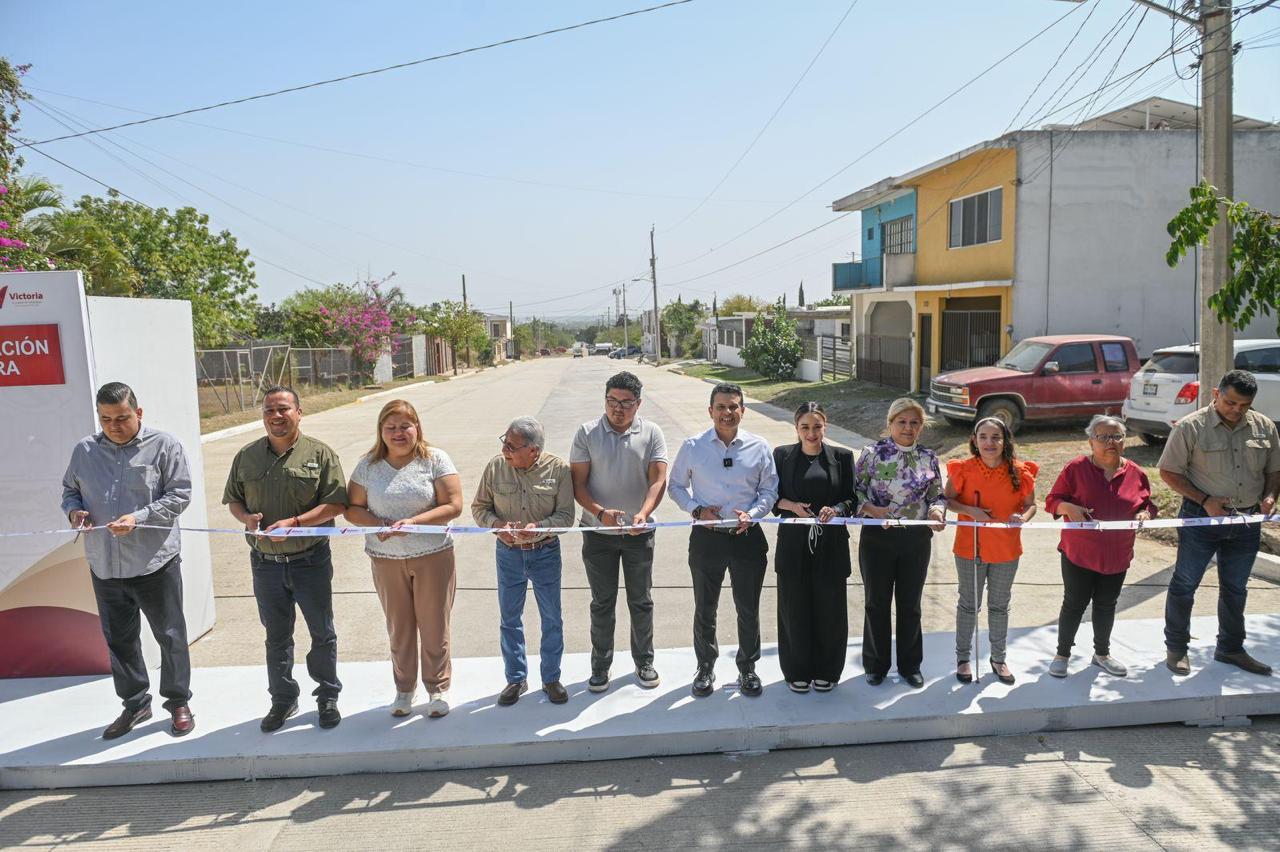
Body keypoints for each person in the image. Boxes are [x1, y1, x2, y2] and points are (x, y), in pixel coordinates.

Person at [61, 382, 196, 740]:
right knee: (120, 640)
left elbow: (180, 494)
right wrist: (75, 512)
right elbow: (70, 490)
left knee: (170, 636)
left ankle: (178, 702)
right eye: (106, 419)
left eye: (121, 418)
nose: (114, 426)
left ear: (138, 413)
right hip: (104, 564)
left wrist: (140, 517)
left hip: (154, 563)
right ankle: (135, 703)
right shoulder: (84, 451)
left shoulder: (164, 446)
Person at [223, 386, 348, 732]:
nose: (276, 416)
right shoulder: (246, 457)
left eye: (283, 409)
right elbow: (234, 500)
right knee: (276, 636)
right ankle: (282, 700)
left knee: (321, 632)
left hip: (310, 561)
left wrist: (295, 524)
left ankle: (327, 695)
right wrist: (245, 518)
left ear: (299, 412)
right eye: (268, 411)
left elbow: (337, 503)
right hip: (266, 565)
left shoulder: (320, 454)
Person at [345, 400, 463, 719]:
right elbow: (353, 509)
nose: (398, 433)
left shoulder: (435, 459)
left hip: (433, 557)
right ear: (381, 431)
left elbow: (453, 504)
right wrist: (378, 525)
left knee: (434, 625)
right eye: (391, 427)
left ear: (417, 427)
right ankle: (404, 689)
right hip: (386, 559)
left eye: (405, 426)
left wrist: (414, 523)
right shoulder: (367, 466)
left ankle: (437, 689)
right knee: (400, 628)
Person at [1158, 369, 1280, 677]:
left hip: (1247, 521)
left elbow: (1274, 471)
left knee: (1236, 588)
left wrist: (1269, 497)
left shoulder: (1264, 427)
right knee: (1185, 584)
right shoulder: (1191, 427)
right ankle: (1177, 649)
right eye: (1230, 402)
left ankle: (1230, 648)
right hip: (1201, 518)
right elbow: (1169, 472)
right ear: (1216, 394)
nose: (1236, 410)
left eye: (1244, 405)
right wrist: (1204, 500)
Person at [668, 382, 779, 698]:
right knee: (705, 607)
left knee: (748, 607)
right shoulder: (693, 446)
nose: (727, 413)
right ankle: (705, 668)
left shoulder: (759, 447)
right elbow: (675, 486)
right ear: (710, 411)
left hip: (747, 537)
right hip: (707, 538)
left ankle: (748, 669)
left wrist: (754, 513)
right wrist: (696, 509)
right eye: (721, 407)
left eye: (733, 407)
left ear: (743, 410)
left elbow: (769, 490)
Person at [570, 371, 668, 694]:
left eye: (626, 403)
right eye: (612, 401)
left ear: (638, 403)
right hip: (598, 535)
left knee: (641, 601)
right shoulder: (586, 433)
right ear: (605, 400)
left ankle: (644, 661)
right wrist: (599, 513)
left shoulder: (652, 432)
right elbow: (578, 484)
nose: (618, 408)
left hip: (639, 535)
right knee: (602, 602)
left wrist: (643, 513)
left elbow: (658, 479)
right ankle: (600, 666)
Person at [472, 416, 576, 706]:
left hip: (545, 552)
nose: (505, 449)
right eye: (504, 442)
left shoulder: (559, 470)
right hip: (508, 555)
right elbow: (479, 508)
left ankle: (551, 678)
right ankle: (515, 679)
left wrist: (540, 526)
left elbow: (567, 517)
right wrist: (497, 526)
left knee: (552, 618)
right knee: (509, 619)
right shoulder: (495, 467)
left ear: (534, 450)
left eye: (512, 446)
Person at [1044, 415, 1155, 679]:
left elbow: (1147, 503)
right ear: (1090, 442)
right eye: (1103, 437)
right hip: (1079, 553)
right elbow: (1052, 501)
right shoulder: (1076, 468)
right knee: (1074, 603)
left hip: (1117, 554)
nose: (1110, 442)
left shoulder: (1136, 473)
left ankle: (1102, 654)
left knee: (1106, 604)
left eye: (1116, 436)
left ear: (1124, 442)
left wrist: (1145, 514)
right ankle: (1062, 655)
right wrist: (1068, 507)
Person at [853, 398, 946, 688]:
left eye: (914, 422)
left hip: (915, 539)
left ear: (921, 426)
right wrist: (869, 508)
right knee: (876, 603)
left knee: (910, 605)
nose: (908, 428)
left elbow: (937, 494)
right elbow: (854, 489)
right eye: (902, 422)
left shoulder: (929, 457)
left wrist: (936, 510)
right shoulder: (872, 454)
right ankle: (876, 665)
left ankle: (909, 666)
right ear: (890, 423)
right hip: (877, 538)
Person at [944, 417, 1038, 685]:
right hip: (969, 547)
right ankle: (963, 658)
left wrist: (1024, 517)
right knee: (968, 605)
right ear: (974, 440)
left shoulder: (1020, 471)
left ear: (1005, 440)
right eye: (983, 437)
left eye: (995, 437)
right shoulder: (963, 469)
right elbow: (947, 500)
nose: (989, 442)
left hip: (1006, 549)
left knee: (999, 606)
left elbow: (1031, 505)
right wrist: (968, 510)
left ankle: (998, 658)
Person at [771, 402, 856, 693]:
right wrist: (791, 506)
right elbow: (772, 498)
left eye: (817, 426)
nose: (811, 433)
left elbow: (851, 499)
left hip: (831, 545)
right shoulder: (781, 455)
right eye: (805, 427)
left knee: (830, 608)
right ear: (796, 428)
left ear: (825, 426)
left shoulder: (843, 457)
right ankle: (796, 670)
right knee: (794, 607)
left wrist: (836, 509)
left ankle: (828, 670)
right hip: (793, 545)